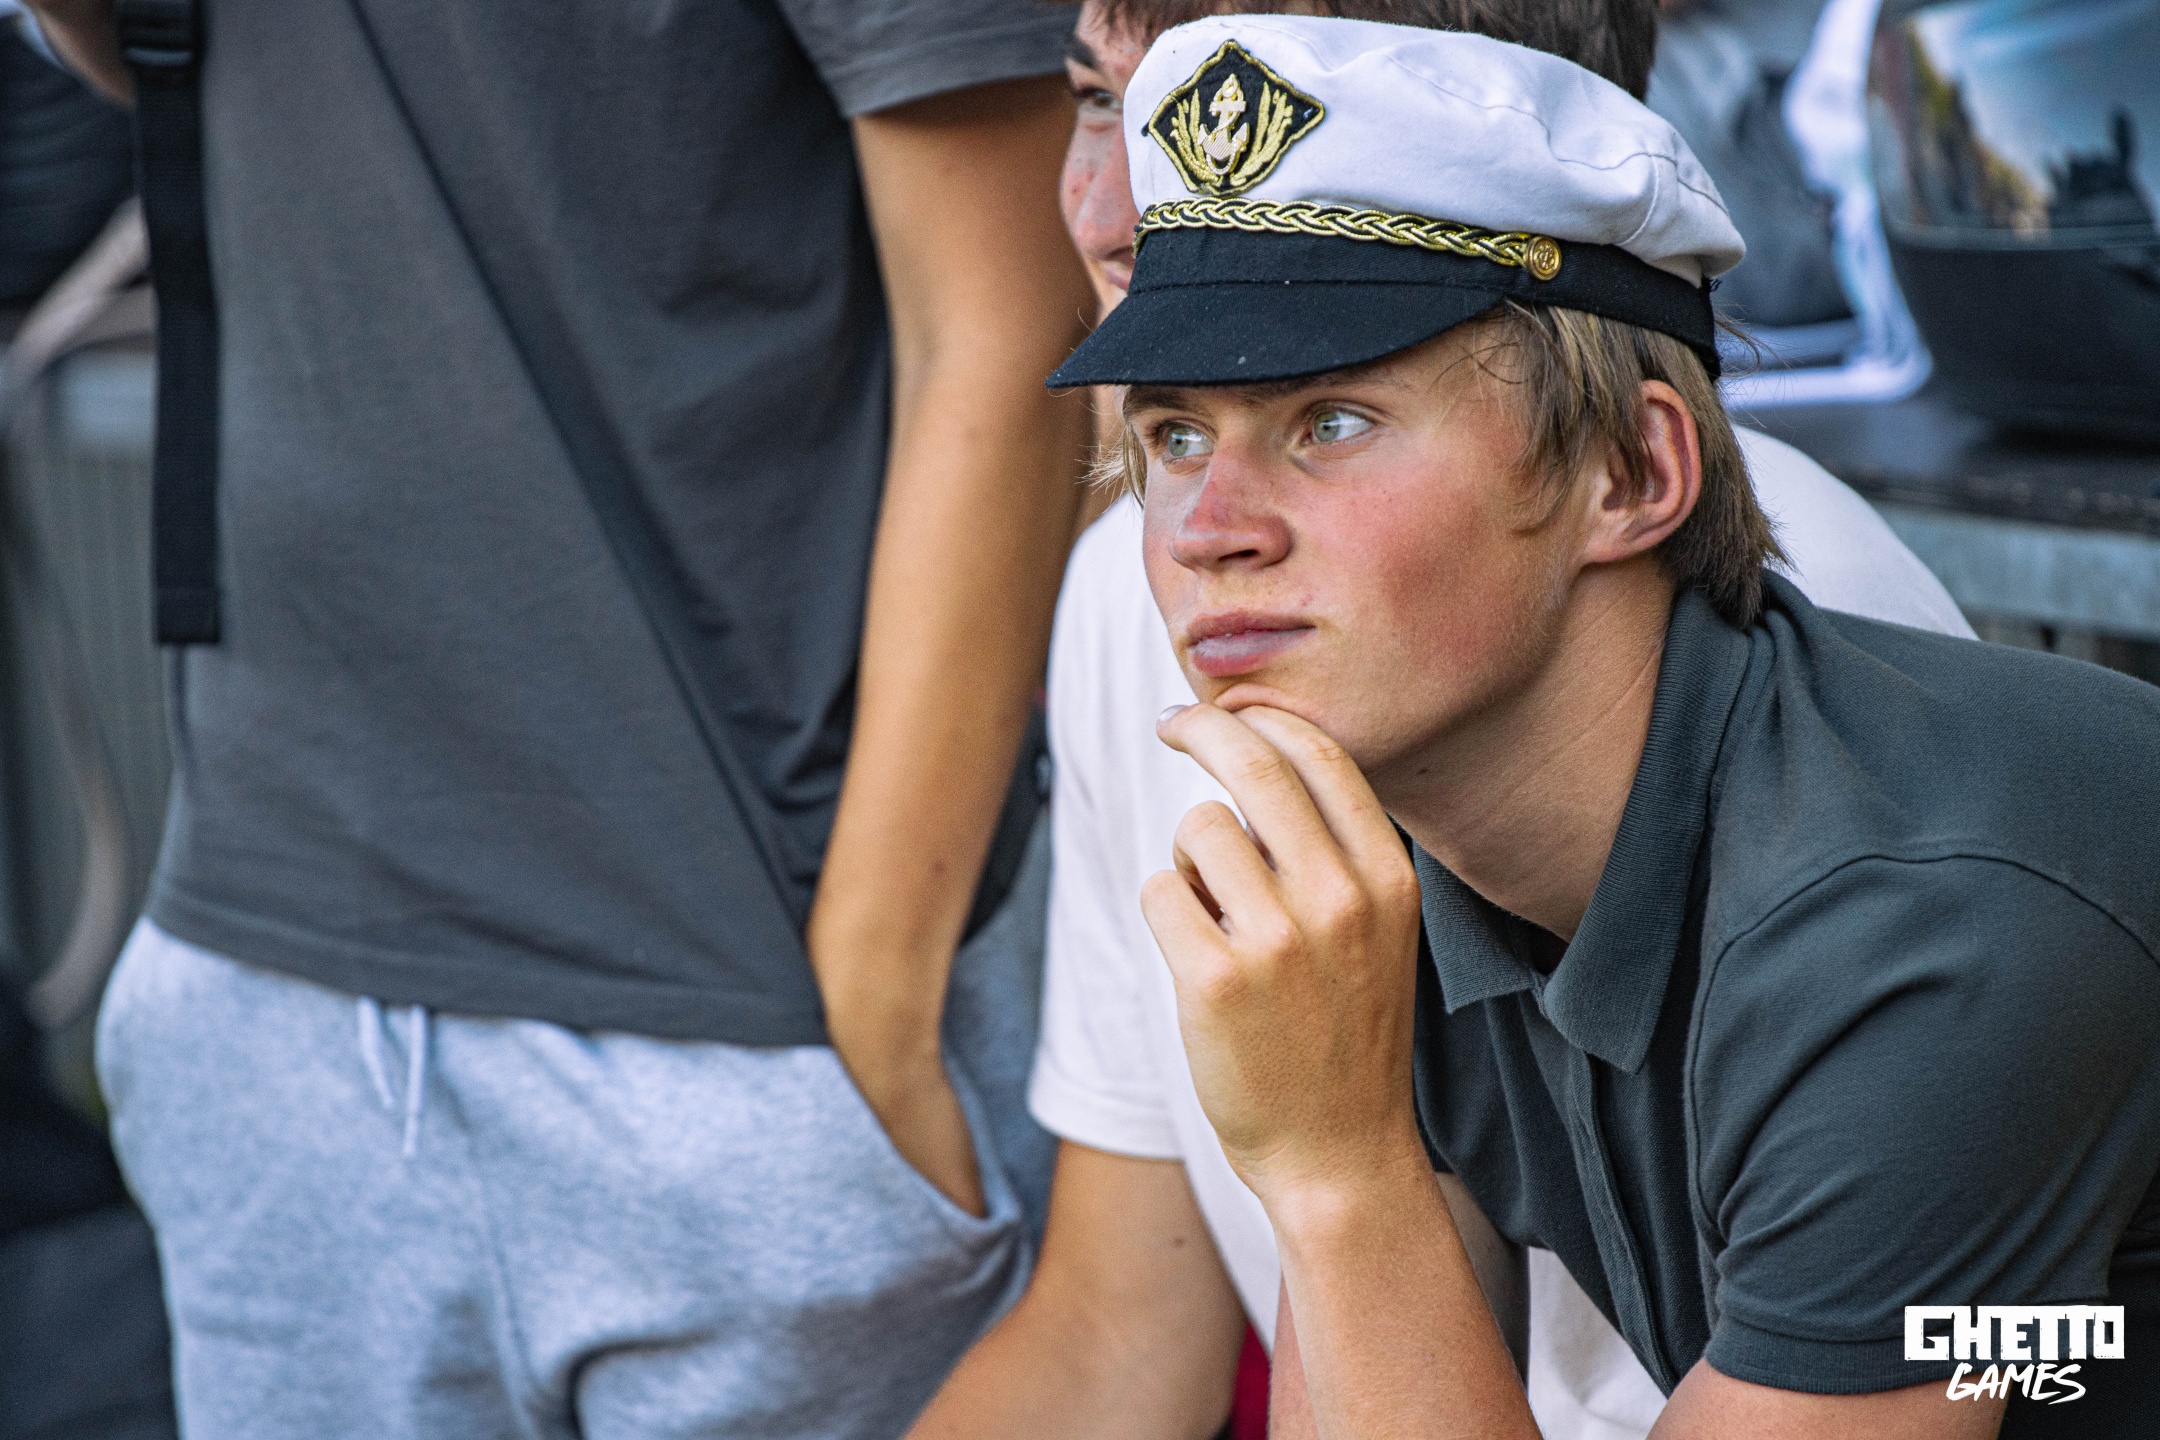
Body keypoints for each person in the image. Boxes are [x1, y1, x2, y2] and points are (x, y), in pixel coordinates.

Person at [1056, 12, 2160, 1438]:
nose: (1208, 528)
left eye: (1330, 422)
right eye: (1175, 437)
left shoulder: (1922, 928)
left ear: (1635, 470)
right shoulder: (1399, 857)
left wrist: (1339, 1171)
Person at [25, 0, 1095, 1435]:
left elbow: (1008, 313)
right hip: (273, 979)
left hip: (747, 1009)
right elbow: (154, 54)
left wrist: (873, 1011)